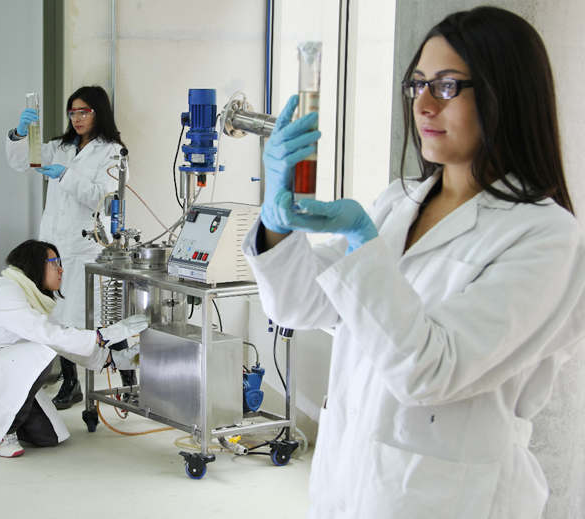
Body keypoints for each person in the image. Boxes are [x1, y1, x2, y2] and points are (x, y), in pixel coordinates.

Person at [243, 7, 585, 518]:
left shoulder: (547, 238)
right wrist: (277, 225)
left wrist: (363, 243)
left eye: (446, 87)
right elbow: (299, 304)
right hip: (349, 487)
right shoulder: (398, 202)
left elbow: (430, 371)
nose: (423, 105)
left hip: (452, 500)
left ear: (505, 95)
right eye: (418, 84)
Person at [0, 240, 149, 458]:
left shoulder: (29, 294)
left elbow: (62, 339)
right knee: (43, 350)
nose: (61, 270)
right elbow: (49, 336)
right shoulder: (6, 293)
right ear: (33, 267)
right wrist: (103, 335)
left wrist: (115, 358)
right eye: (54, 263)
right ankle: (2, 431)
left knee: (47, 437)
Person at [6, 85, 133, 410]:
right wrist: (20, 133)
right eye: (72, 112)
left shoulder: (113, 152)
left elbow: (104, 198)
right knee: (57, 314)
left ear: (98, 113)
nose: (77, 118)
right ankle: (71, 381)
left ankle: (130, 380)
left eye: (84, 112)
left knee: (96, 316)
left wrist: (66, 176)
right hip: (55, 245)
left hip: (87, 247)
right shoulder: (60, 147)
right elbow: (22, 163)